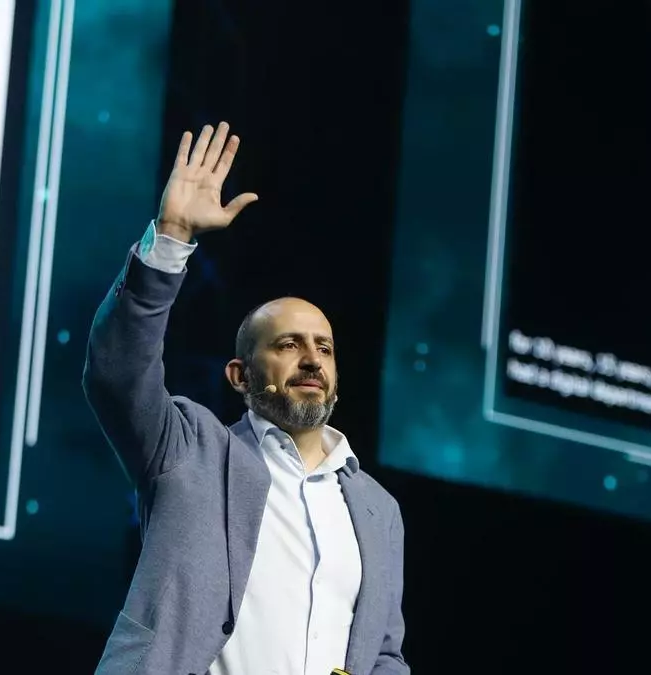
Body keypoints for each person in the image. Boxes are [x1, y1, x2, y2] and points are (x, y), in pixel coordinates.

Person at [83, 122, 408, 675]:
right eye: (288, 345)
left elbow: (383, 655)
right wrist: (171, 237)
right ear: (240, 376)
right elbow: (118, 373)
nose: (312, 360)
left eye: (324, 348)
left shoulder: (379, 510)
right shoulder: (190, 450)